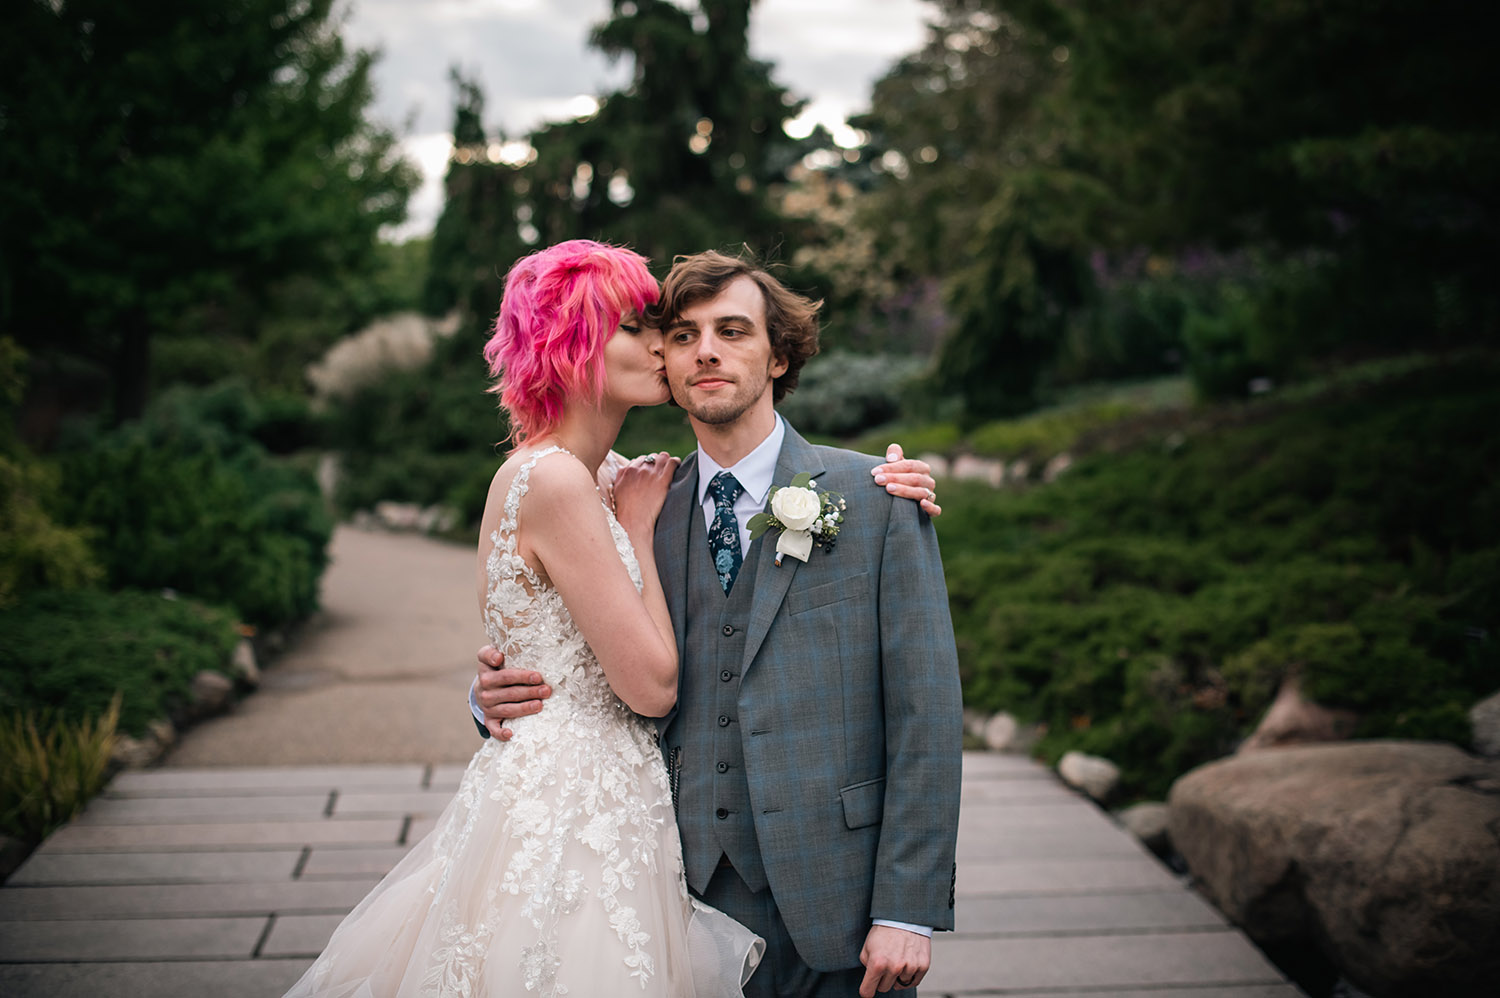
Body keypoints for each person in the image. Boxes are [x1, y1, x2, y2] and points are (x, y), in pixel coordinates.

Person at [284, 240, 767, 998]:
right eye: (631, 328)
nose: (658, 345)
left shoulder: (606, 476)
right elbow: (650, 687)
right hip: (570, 806)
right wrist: (636, 533)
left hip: (607, 790)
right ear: (572, 348)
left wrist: (885, 482)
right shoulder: (552, 481)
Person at [476, 251, 964, 997]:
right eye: (681, 334)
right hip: (674, 896)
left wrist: (910, 906)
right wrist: (491, 697)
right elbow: (558, 628)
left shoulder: (878, 502)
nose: (706, 349)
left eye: (733, 331)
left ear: (779, 355)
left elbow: (926, 715)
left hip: (843, 899)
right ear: (664, 363)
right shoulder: (633, 506)